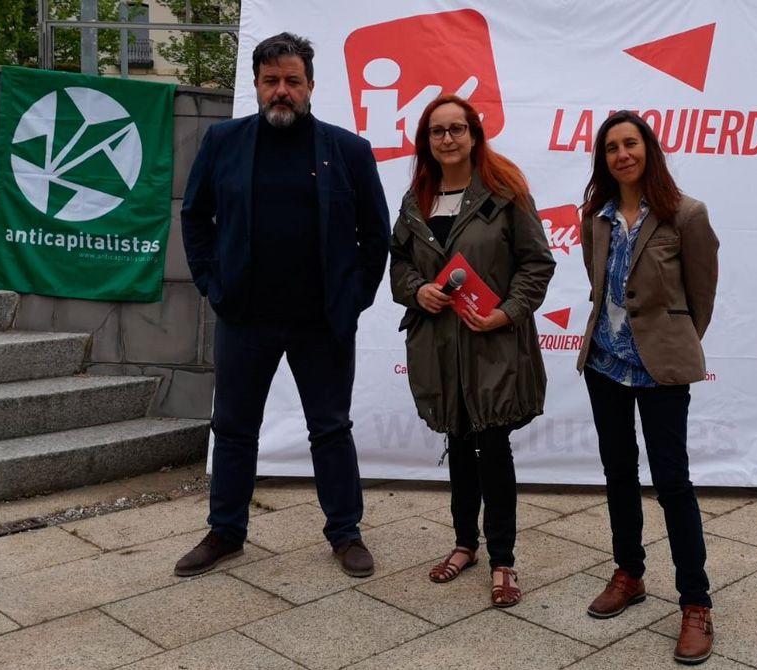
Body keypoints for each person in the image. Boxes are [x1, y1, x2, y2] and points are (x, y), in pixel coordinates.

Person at [178, 32, 390, 578]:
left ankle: (345, 533)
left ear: (310, 86)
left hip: (321, 321)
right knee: (233, 427)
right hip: (245, 316)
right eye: (271, 81)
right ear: (255, 85)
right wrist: (209, 282)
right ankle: (226, 530)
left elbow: (376, 234)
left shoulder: (348, 150)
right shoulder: (223, 141)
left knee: (330, 428)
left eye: (292, 81)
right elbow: (195, 216)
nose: (281, 91)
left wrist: (354, 300)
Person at [389, 94, 555, 608]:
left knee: (493, 449)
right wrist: (417, 289)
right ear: (427, 141)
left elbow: (537, 264)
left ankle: (503, 558)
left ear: (474, 134)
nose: (447, 139)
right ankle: (465, 544)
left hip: (493, 344)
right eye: (437, 132)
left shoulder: (505, 192)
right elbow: (398, 263)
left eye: (457, 129)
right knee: (458, 446)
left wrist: (506, 312)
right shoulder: (416, 199)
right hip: (439, 347)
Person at [576, 111, 720, 664]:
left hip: (660, 371)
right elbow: (599, 289)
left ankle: (695, 604)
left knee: (673, 482)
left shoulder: (686, 214)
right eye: (611, 147)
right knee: (617, 474)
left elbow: (701, 295)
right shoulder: (597, 216)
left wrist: (673, 344)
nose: (621, 154)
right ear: (603, 158)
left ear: (648, 149)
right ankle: (629, 573)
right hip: (605, 366)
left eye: (630, 143)